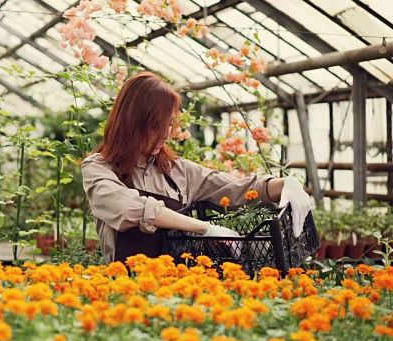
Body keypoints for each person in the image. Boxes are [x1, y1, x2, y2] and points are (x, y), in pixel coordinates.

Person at [81, 72, 311, 264]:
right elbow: (130, 207)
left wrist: (283, 184)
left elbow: (236, 188)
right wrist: (205, 229)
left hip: (182, 289)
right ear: (132, 122)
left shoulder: (175, 170)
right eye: (156, 126)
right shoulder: (99, 169)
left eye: (169, 124)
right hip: (130, 292)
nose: (165, 134)